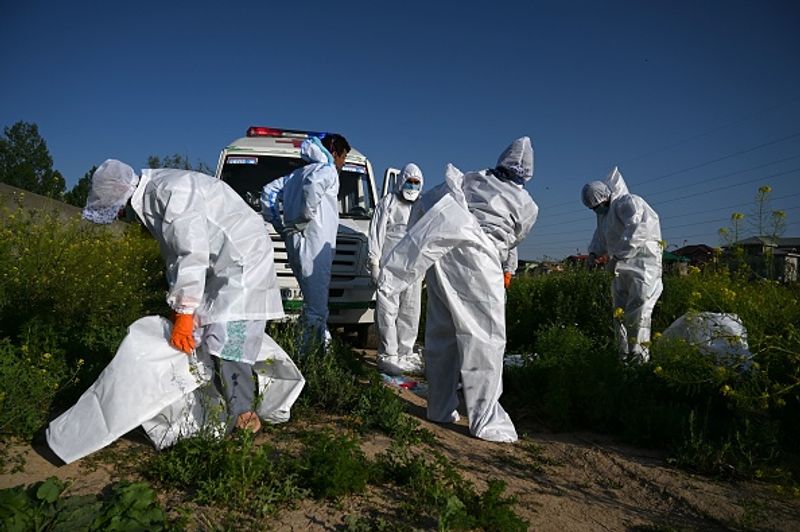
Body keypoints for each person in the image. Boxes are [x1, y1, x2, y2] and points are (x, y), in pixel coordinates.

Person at [82, 159, 284, 433]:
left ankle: (244, 419)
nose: (121, 217)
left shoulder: (168, 194)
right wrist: (180, 308)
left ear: (123, 196)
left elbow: (192, 253)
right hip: (225, 264)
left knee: (229, 342)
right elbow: (176, 259)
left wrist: (185, 310)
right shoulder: (158, 192)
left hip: (244, 262)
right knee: (202, 337)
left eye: (119, 210)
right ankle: (213, 414)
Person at [377, 137, 538, 443]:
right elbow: (515, 238)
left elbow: (430, 204)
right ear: (528, 174)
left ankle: (439, 407)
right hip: (480, 261)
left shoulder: (472, 178)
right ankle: (485, 419)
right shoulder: (527, 204)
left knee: (442, 335)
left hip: (444, 254)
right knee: (485, 339)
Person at [260, 134, 350, 354]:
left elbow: (268, 192)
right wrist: (303, 218)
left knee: (313, 301)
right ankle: (306, 356)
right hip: (314, 243)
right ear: (334, 151)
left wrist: (281, 226)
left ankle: (320, 350)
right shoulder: (326, 171)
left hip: (296, 240)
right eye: (344, 156)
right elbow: (314, 185)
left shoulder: (295, 175)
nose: (343, 163)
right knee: (317, 305)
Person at [581, 166, 663, 364]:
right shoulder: (604, 216)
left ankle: (639, 360)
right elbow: (601, 239)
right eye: (593, 208)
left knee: (639, 311)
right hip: (620, 268)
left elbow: (638, 230)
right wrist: (593, 254)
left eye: (598, 205)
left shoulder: (629, 202)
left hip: (643, 265)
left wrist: (618, 255)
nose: (597, 210)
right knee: (619, 313)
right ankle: (623, 357)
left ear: (606, 197)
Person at [368, 163, 425, 375]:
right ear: (401, 181)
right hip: (389, 268)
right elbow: (376, 234)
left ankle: (404, 354)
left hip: (413, 269)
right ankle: (387, 356)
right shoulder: (388, 202)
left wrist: (424, 267)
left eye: (416, 182)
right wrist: (374, 263)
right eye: (409, 181)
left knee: (410, 312)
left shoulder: (421, 205)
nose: (412, 185)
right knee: (387, 312)